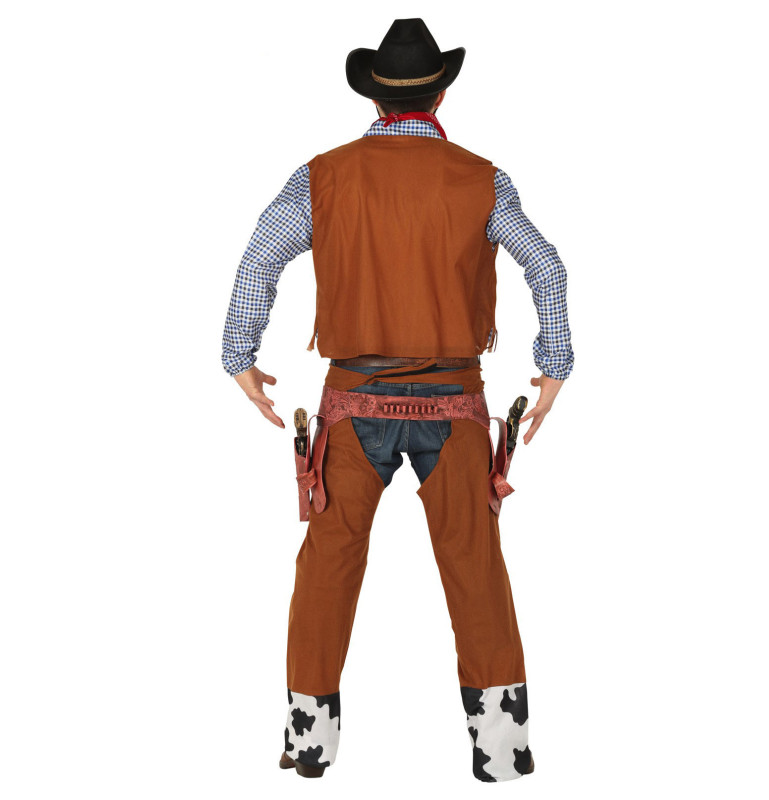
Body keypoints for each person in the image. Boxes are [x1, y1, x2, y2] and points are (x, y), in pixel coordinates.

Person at [221, 18, 574, 783]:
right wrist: (554, 368)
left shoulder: (322, 177)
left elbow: (258, 260)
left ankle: (308, 742)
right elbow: (546, 266)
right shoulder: (482, 179)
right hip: (455, 404)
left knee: (327, 565)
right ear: (440, 94)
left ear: (375, 99)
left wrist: (239, 357)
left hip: (353, 403)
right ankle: (502, 751)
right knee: (476, 567)